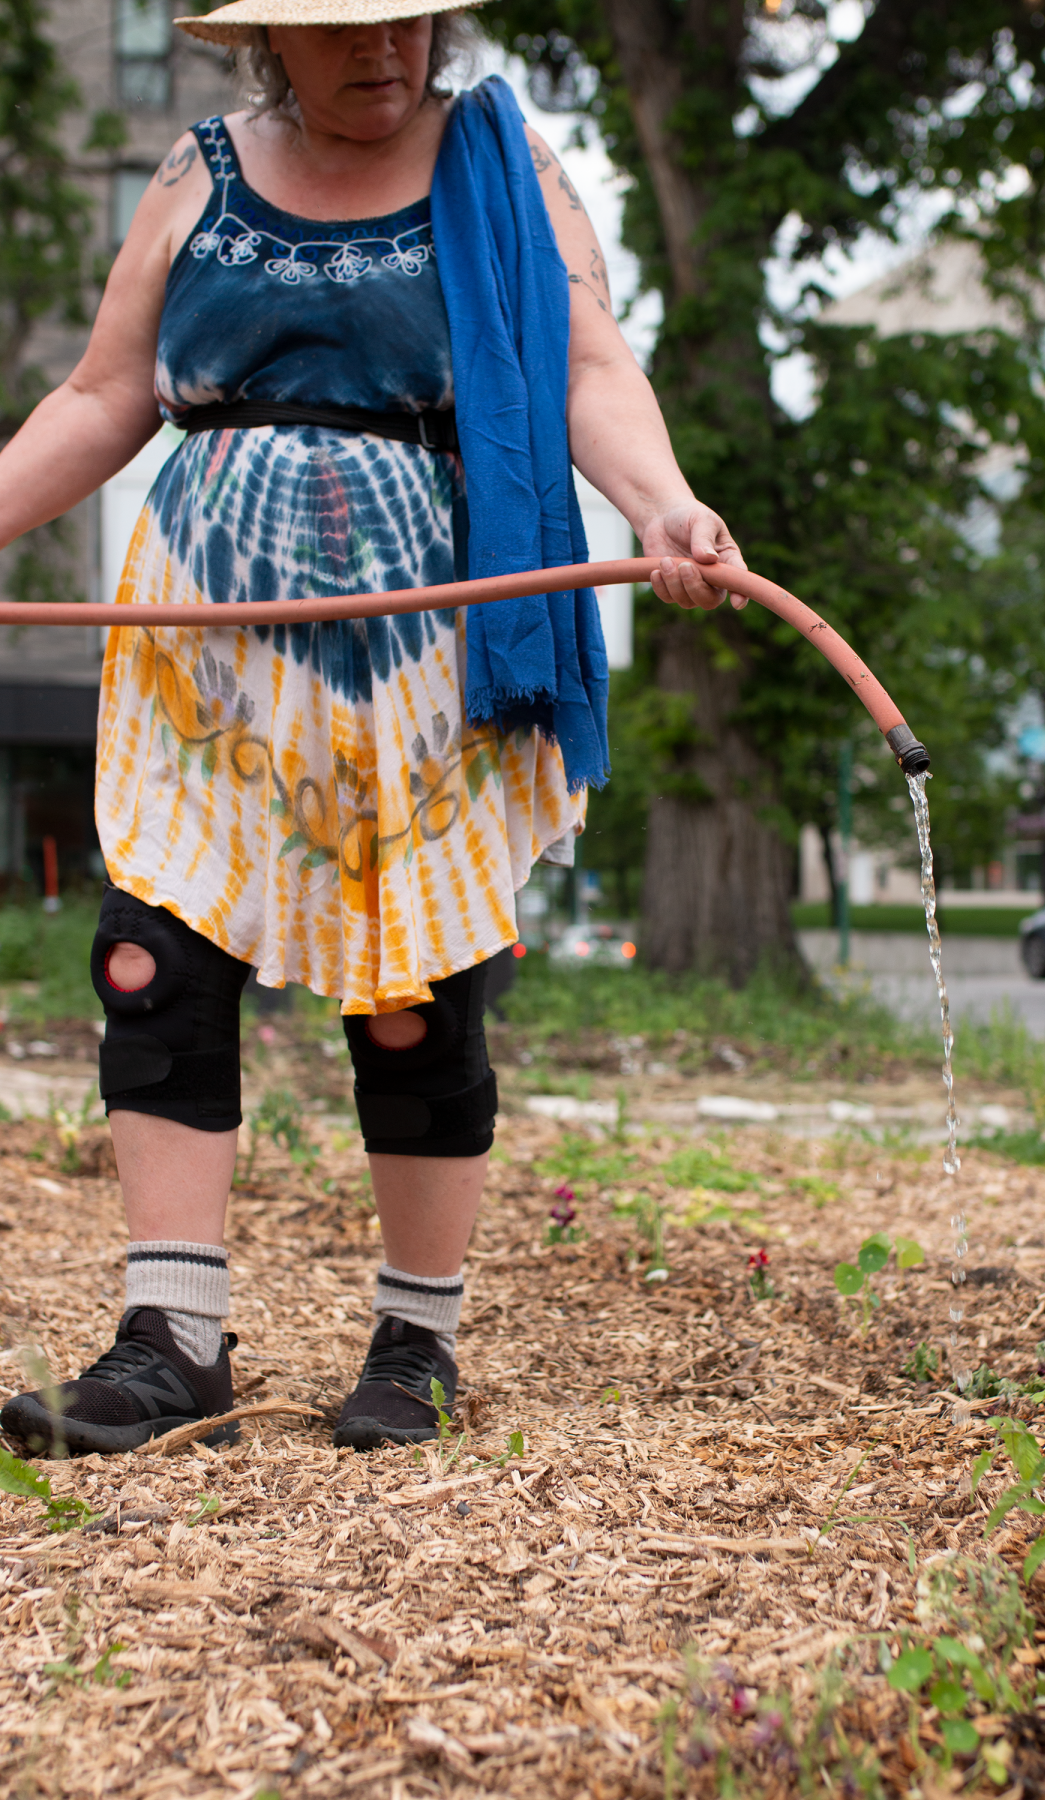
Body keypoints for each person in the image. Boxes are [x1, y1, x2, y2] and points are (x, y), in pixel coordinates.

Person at [0, 0, 744, 1457]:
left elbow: (590, 368)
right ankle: (174, 1342)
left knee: (416, 995)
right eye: (343, 29)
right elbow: (101, 398)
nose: (385, 51)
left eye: (408, 21)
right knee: (153, 961)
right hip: (203, 658)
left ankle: (419, 1339)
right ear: (269, 38)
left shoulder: (502, 163)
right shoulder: (194, 175)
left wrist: (660, 502)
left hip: (422, 649)